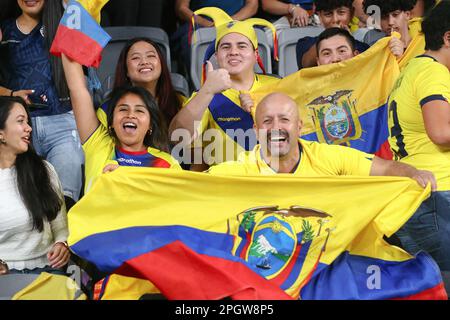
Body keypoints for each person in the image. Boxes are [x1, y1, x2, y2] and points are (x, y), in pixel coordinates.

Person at [208, 92, 436, 193]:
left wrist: (414, 173)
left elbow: (385, 167)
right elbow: (195, 185)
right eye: (267, 121)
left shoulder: (327, 156)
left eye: (285, 120)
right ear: (256, 131)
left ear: (299, 127)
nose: (276, 127)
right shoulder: (236, 170)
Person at [169, 7, 280, 171]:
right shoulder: (205, 95)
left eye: (242, 46)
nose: (233, 52)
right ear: (217, 55)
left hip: (275, 184)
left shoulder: (277, 86)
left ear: (256, 55)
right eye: (226, 47)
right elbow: (177, 137)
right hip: (225, 187)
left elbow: (298, 135)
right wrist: (206, 92)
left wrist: (258, 112)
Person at [0, 0, 84, 209]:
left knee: (63, 202)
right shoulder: (5, 29)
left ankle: (63, 243)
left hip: (63, 124)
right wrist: (11, 95)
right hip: (16, 128)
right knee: (21, 206)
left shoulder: (66, 23)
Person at [387, 0, 450, 271]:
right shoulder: (433, 72)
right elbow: (441, 132)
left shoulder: (414, 68)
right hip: (438, 193)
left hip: (422, 195)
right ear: (448, 38)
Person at [61, 54, 181, 194]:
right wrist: (69, 40)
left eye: (140, 111)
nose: (131, 115)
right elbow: (78, 90)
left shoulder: (167, 163)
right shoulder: (99, 145)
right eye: (123, 109)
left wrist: (123, 177)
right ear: (111, 122)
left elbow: (175, 203)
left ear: (150, 126)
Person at [0, 96, 69, 275]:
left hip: (49, 271)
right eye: (20, 121)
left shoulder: (43, 170)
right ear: (1, 133)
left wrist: (62, 243)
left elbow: (61, 227)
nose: (29, 128)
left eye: (27, 121)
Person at [98, 37, 183, 131]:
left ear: (162, 64)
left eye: (151, 56)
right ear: (126, 70)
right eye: (135, 58)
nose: (144, 62)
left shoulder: (181, 102)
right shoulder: (108, 109)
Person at [171, 0, 258, 75]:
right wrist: (206, 23)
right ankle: (200, 88)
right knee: (191, 40)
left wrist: (229, 21)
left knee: (257, 36)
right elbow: (181, 8)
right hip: (201, 22)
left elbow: (252, 5)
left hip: (237, 20)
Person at [295, 0, 370, 69]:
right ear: (320, 16)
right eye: (328, 14)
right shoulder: (306, 43)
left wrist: (347, 39)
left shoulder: (363, 47)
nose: (335, 19)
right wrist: (331, 35)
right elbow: (306, 64)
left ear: (352, 14)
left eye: (341, 12)